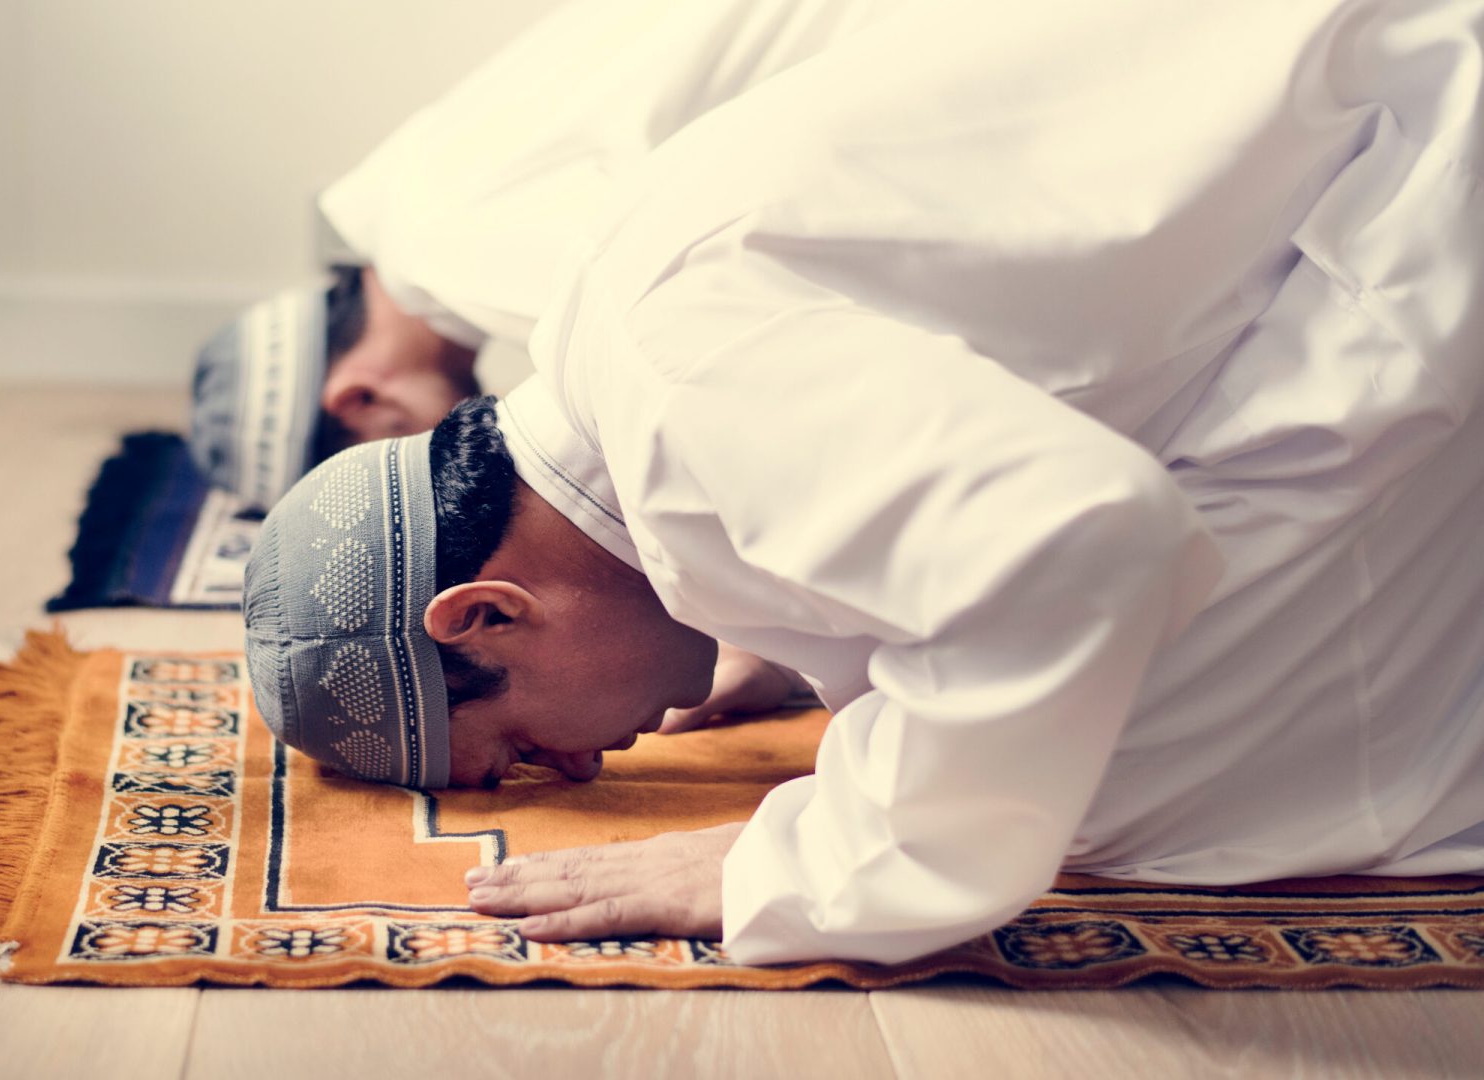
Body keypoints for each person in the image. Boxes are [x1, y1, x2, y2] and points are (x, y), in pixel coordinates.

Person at [242, 0, 1484, 966]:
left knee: (1114, 793)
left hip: (1421, 145)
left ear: (487, 614)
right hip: (1358, 155)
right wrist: (795, 639)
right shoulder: (607, 351)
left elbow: (1084, 542)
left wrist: (811, 860)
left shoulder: (678, 400)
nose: (576, 773)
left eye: (511, 750)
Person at [185, 0, 878, 512]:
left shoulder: (452, 250)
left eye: (408, 466)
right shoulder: (410, 189)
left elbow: (723, 364)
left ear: (359, 397)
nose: (449, 471)